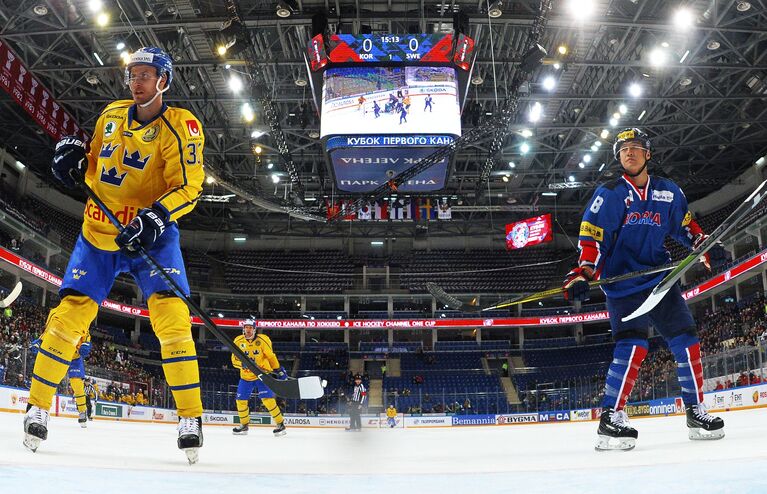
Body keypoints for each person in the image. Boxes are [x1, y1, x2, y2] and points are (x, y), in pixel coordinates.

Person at [25, 47, 206, 463]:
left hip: (151, 238)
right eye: (132, 74)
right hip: (99, 233)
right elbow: (89, 164)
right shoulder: (111, 115)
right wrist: (69, 160)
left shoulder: (183, 128)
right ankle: (37, 407)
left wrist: (156, 217)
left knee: (173, 320)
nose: (136, 81)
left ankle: (190, 418)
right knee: (68, 318)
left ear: (164, 80)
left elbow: (190, 186)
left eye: (144, 74)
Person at [563, 128, 724, 451]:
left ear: (648, 154)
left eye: (636, 148)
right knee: (633, 347)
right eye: (624, 150)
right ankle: (611, 417)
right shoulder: (608, 194)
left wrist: (705, 248)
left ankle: (695, 411)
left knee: (687, 341)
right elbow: (592, 239)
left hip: (659, 281)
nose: (630, 153)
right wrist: (582, 273)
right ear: (618, 157)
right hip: (623, 285)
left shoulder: (668, 191)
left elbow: (685, 228)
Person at [230, 320, 287, 437]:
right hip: (245, 377)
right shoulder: (238, 341)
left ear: (255, 329)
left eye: (250, 327)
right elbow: (234, 360)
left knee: (268, 400)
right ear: (243, 329)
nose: (248, 330)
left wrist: (278, 369)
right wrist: (242, 364)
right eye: (246, 327)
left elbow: (271, 356)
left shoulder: (262, 340)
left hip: (262, 375)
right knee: (240, 401)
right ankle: (244, 425)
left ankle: (280, 424)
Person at [31, 334, 92, 428]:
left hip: (75, 358)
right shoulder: (58, 319)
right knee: (49, 379)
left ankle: (82, 411)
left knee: (77, 385)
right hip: (59, 353)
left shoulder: (82, 324)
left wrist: (86, 344)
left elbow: (86, 336)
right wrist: (40, 341)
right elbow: (51, 329)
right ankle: (41, 408)